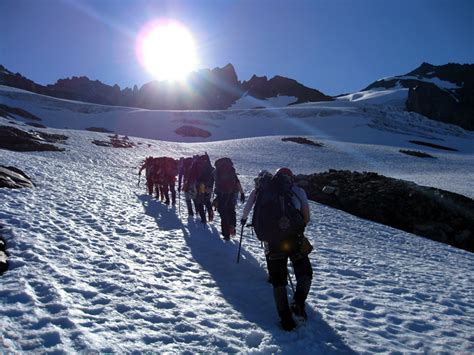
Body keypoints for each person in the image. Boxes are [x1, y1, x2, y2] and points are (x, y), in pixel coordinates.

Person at [241, 168, 313, 331]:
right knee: (305, 272)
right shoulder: (297, 191)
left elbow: (249, 208)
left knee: (278, 280)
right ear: (290, 178)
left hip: (272, 241)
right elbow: (306, 217)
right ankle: (298, 303)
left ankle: (285, 319)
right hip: (294, 239)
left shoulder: (262, 190)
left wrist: (243, 220)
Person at [213, 157, 245, 240]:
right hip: (232, 194)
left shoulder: (217, 171)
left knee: (223, 214)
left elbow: (215, 182)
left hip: (221, 195)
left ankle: (226, 235)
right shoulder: (231, 170)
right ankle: (232, 225)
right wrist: (242, 193)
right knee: (231, 210)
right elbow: (237, 181)